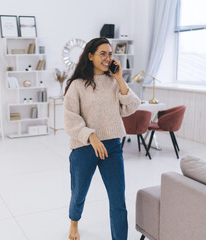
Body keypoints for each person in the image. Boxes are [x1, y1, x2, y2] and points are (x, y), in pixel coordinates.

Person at [63, 37, 140, 240]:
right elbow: (70, 119)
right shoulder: (77, 85)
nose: (107, 58)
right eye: (102, 54)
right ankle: (74, 223)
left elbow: (132, 106)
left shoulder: (114, 82)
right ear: (90, 56)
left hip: (112, 146)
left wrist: (120, 79)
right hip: (84, 147)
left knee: (118, 200)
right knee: (79, 193)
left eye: (110, 54)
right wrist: (91, 137)